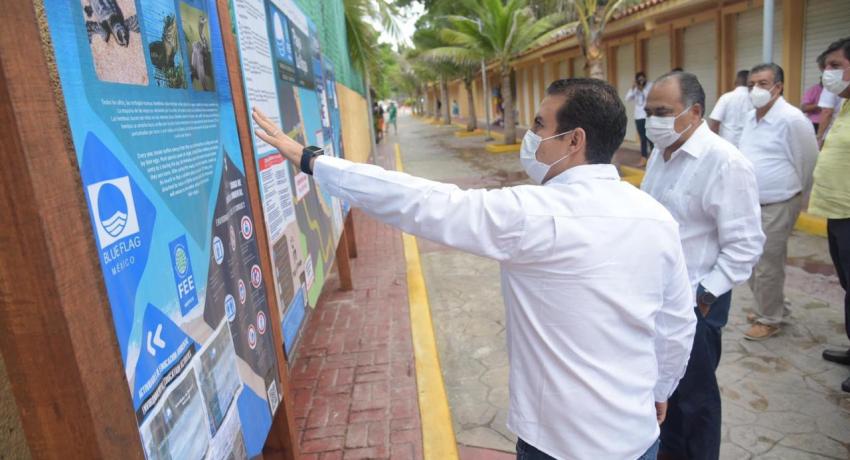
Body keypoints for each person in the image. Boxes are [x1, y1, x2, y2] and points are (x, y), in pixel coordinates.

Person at [252, 78, 696, 460]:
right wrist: (662, 389)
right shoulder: (655, 217)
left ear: (575, 140)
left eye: (540, 125)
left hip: (561, 444)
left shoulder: (534, 215)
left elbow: (422, 202)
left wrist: (312, 159)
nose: (530, 135)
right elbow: (677, 324)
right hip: (638, 439)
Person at [643, 71, 765, 460]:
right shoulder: (661, 155)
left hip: (699, 299)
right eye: (648, 111)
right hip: (657, 296)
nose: (653, 120)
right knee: (664, 392)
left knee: (695, 401)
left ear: (695, 111)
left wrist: (705, 294)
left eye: (663, 111)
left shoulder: (726, 163)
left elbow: (745, 245)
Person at [737, 63, 819, 340]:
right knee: (750, 259)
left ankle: (769, 318)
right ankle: (771, 306)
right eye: (751, 85)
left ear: (778, 86)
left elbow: (807, 161)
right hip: (750, 202)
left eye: (762, 84)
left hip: (779, 202)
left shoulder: (792, 119)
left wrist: (797, 194)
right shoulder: (750, 118)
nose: (755, 90)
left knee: (768, 262)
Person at [809, 37, 850, 393]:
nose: (828, 74)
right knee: (848, 286)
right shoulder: (844, 106)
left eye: (835, 65)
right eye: (826, 67)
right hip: (839, 213)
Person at [708, 70, 752, 146]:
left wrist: (712, 143)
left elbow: (715, 123)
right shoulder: (753, 99)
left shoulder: (726, 97)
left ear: (735, 82)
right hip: (747, 143)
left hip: (727, 142)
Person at [625, 71, 653, 164]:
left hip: (648, 116)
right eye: (639, 79)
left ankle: (653, 157)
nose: (641, 81)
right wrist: (633, 88)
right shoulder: (635, 88)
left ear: (645, 78)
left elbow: (650, 96)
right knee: (643, 138)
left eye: (642, 79)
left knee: (651, 137)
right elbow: (627, 98)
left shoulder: (649, 85)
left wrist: (642, 89)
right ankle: (644, 158)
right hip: (639, 116)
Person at [801, 55, 827, 133]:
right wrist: (819, 106)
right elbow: (804, 108)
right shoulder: (814, 89)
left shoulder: (838, 90)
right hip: (815, 123)